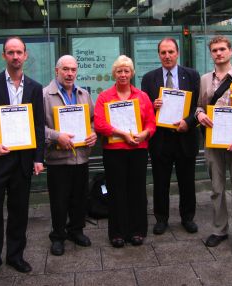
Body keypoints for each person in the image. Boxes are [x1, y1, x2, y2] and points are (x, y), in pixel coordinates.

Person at [0, 36, 45, 284]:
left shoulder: (35, 88)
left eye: (19, 52)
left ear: (26, 55)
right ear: (4, 55)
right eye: (10, 52)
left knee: (19, 211)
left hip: (23, 160)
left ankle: (15, 256)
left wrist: (39, 158)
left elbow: (38, 125)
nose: (15, 56)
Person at [196, 36, 232, 256]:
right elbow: (199, 107)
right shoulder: (204, 80)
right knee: (216, 189)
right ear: (211, 54)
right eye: (214, 50)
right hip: (213, 143)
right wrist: (200, 115)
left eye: (222, 49)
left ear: (230, 51)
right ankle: (220, 230)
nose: (218, 53)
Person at [94, 55, 156, 248]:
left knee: (137, 191)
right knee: (117, 191)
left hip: (138, 149)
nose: (123, 74)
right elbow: (100, 124)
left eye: (126, 71)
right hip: (114, 151)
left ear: (132, 73)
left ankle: (138, 231)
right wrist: (122, 134)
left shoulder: (142, 96)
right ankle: (117, 233)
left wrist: (144, 133)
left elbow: (151, 123)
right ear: (114, 73)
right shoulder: (104, 96)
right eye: (119, 71)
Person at [141, 37, 200, 235]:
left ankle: (188, 218)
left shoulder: (192, 75)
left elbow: (198, 106)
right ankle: (161, 219)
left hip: (185, 137)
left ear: (177, 53)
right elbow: (143, 110)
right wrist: (152, 105)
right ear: (159, 55)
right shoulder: (149, 78)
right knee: (160, 182)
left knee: (187, 182)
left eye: (171, 52)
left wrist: (188, 123)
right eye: (163, 53)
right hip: (160, 140)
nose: (167, 56)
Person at [43, 55, 97, 256]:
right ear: (57, 71)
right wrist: (57, 137)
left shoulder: (83, 94)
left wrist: (93, 134)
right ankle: (58, 236)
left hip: (81, 156)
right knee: (59, 200)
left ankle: (76, 230)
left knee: (79, 197)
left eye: (73, 70)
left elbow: (92, 121)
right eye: (65, 69)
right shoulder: (44, 95)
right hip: (58, 159)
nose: (69, 73)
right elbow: (37, 128)